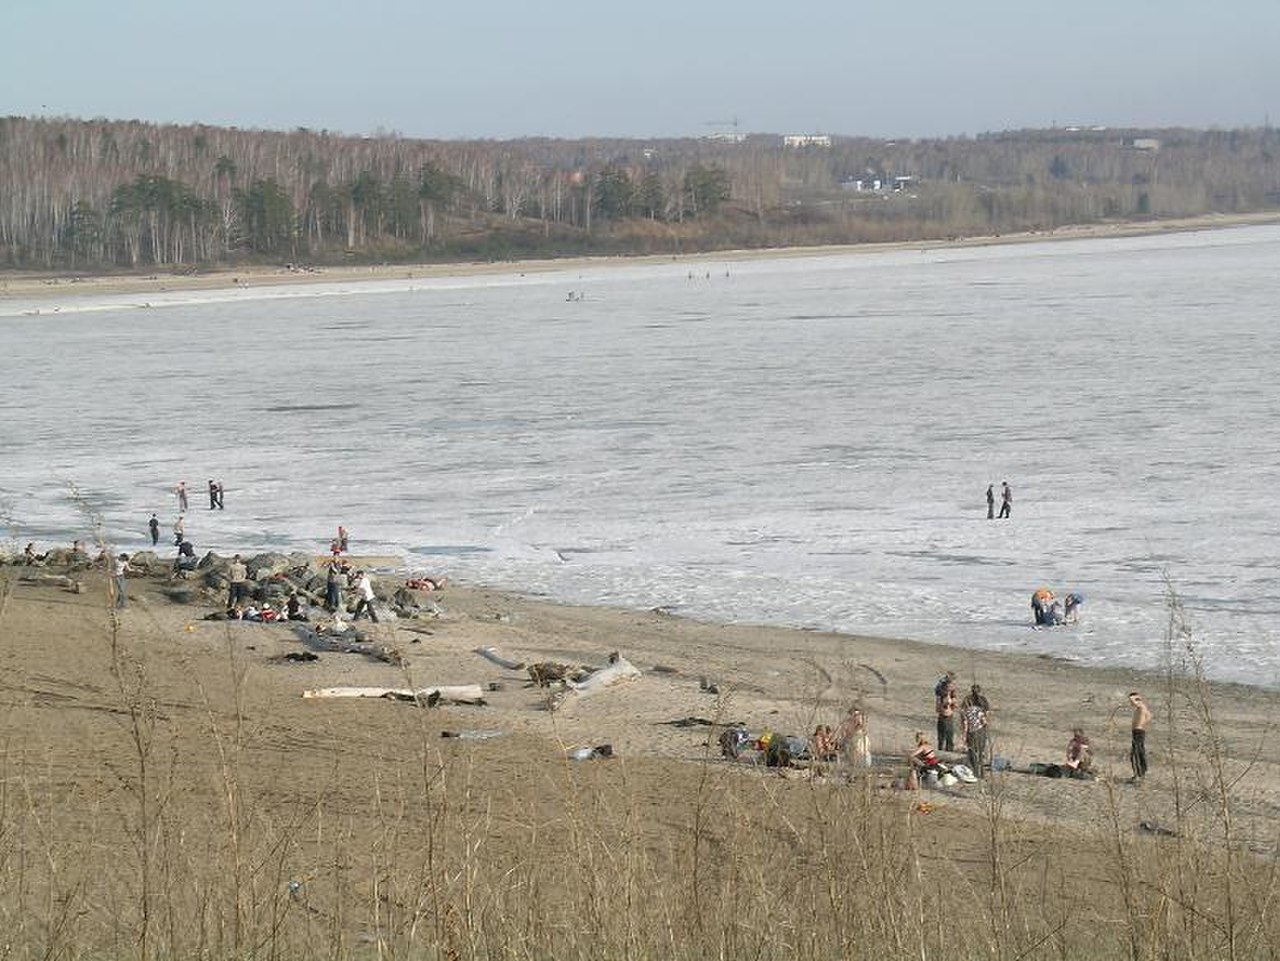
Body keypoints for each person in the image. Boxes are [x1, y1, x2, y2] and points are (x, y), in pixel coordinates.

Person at [961, 684, 992, 778]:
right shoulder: (982, 704)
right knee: (980, 752)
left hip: (971, 732)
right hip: (981, 730)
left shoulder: (966, 708)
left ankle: (975, 771)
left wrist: (964, 735)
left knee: (972, 752)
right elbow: (985, 719)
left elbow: (965, 722)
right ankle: (982, 772)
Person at [1129, 692, 1152, 783]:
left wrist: (1141, 725)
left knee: (1135, 754)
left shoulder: (1142, 708)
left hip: (1138, 732)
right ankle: (1140, 773)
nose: (1131, 703)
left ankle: (1138, 775)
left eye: (1132, 701)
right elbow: (1149, 715)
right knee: (1139, 752)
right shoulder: (1140, 708)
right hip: (1137, 731)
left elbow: (1149, 716)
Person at [936, 675, 958, 752]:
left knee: (950, 737)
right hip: (942, 717)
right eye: (950, 685)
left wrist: (952, 703)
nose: (951, 687)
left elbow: (955, 706)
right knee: (941, 738)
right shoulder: (941, 695)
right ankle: (941, 751)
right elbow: (937, 708)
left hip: (949, 717)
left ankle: (949, 751)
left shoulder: (952, 695)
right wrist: (943, 704)